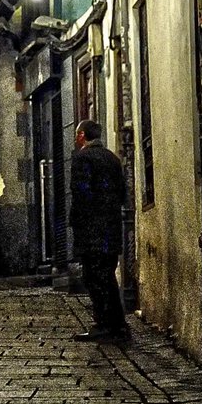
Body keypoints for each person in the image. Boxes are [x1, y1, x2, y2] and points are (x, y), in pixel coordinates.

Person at [69, 118, 127, 343]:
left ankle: (104, 325)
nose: (76, 138)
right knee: (107, 276)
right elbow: (122, 193)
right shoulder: (112, 158)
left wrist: (79, 222)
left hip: (92, 229)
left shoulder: (83, 158)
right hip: (111, 227)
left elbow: (81, 193)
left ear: (82, 135)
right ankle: (117, 325)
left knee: (94, 277)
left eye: (77, 134)